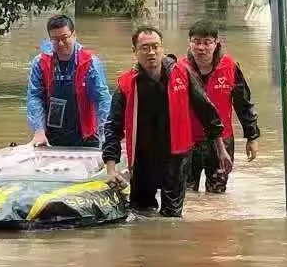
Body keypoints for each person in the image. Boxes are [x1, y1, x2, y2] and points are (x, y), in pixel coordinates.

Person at [102, 25, 222, 217]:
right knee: (140, 215)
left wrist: (220, 149)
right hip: (142, 158)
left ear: (162, 48)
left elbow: (207, 112)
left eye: (155, 46)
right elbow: (113, 127)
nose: (151, 52)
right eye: (145, 47)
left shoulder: (182, 74)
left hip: (176, 156)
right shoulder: (126, 84)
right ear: (135, 52)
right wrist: (111, 168)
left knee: (172, 218)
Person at [182, 20, 260, 193]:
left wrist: (252, 136)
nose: (201, 48)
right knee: (186, 194)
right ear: (189, 43)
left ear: (216, 43)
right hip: (188, 140)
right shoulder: (180, 69)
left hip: (222, 140)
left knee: (217, 194)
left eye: (207, 42)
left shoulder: (230, 67)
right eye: (196, 42)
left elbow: (243, 104)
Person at [26, 14, 111, 148]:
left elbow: (102, 100)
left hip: (86, 136)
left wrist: (107, 137)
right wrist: (38, 131)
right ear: (50, 39)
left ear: (73, 35)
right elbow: (35, 97)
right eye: (55, 39)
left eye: (64, 38)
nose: (60, 44)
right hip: (51, 137)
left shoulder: (90, 62)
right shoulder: (40, 62)